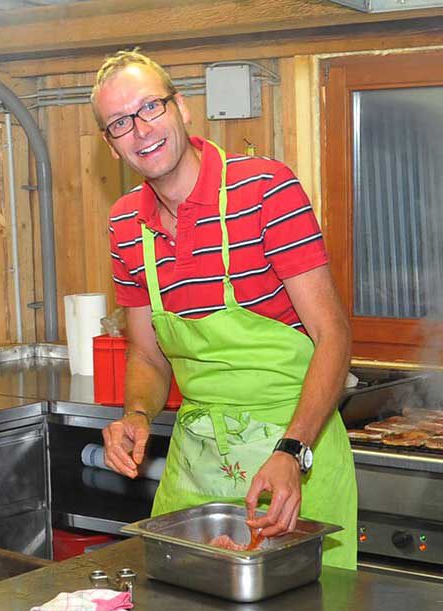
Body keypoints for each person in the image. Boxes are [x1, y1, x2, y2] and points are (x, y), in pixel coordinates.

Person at [92, 50, 356, 570]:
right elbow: (148, 358)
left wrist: (291, 452)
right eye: (120, 122)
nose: (141, 130)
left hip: (294, 461)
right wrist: (137, 415)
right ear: (110, 143)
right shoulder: (125, 227)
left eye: (151, 107)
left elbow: (334, 337)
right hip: (196, 475)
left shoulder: (265, 190)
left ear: (182, 108)